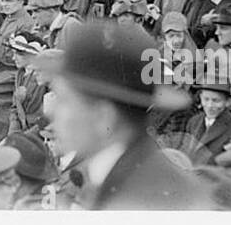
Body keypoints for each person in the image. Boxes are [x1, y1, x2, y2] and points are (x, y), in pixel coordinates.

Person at [49, 18, 209, 210]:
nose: (50, 111)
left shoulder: (150, 198)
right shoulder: (111, 172)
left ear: (103, 116)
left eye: (64, 101)